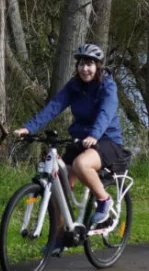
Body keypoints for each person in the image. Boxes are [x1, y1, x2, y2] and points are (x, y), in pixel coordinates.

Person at [13, 43, 124, 226]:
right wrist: (28, 128)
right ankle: (61, 236)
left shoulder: (108, 86)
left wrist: (94, 135)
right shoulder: (75, 86)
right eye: (81, 64)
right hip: (82, 141)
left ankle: (104, 200)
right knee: (58, 185)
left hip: (106, 140)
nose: (85, 69)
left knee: (81, 164)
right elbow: (54, 107)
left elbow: (106, 113)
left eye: (89, 64)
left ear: (98, 66)